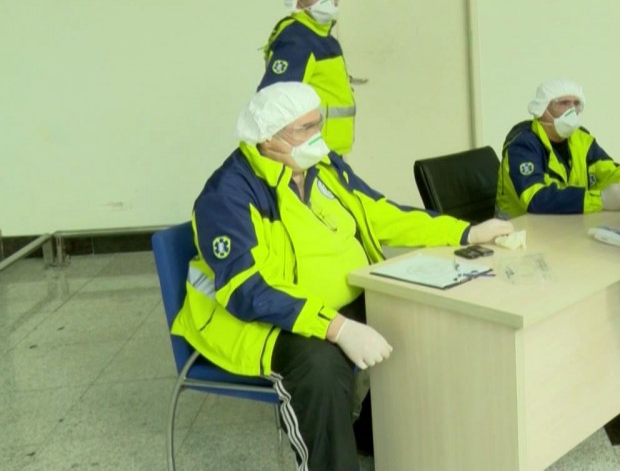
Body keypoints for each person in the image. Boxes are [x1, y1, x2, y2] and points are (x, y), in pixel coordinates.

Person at [173, 82, 513, 469]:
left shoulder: (323, 167)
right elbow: (246, 290)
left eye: (317, 123)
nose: (317, 135)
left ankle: (373, 434)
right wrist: (337, 328)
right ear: (268, 138)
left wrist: (465, 232)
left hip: (339, 302)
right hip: (263, 321)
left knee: (422, 317)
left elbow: (379, 211)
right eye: (304, 128)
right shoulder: (228, 195)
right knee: (320, 368)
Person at [496, 79, 620, 218]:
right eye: (563, 103)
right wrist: (601, 199)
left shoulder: (581, 139)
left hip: (564, 221)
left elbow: (608, 170)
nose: (571, 110)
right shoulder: (523, 144)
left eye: (576, 103)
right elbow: (536, 199)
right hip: (517, 228)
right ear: (542, 108)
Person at [260, 0, 357, 155]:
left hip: (327, 150)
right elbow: (278, 98)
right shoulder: (298, 40)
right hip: (308, 152)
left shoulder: (324, 38)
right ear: (297, 0)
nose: (326, 0)